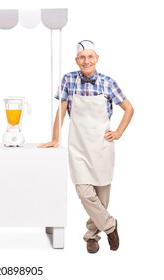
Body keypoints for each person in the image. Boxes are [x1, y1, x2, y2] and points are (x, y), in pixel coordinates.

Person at [38, 40, 134, 253]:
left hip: (102, 147)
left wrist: (118, 132)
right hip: (79, 146)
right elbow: (61, 111)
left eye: (90, 56)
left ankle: (92, 236)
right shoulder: (68, 80)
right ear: (76, 60)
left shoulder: (108, 83)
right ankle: (110, 226)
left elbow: (129, 109)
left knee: (101, 198)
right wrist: (55, 138)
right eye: (82, 57)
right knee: (84, 192)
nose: (86, 61)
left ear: (97, 59)